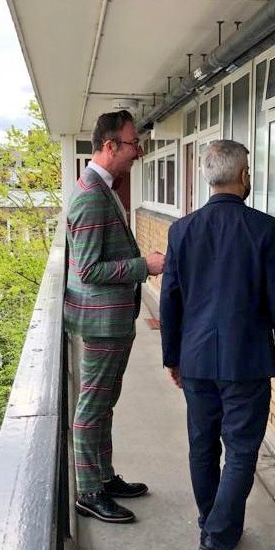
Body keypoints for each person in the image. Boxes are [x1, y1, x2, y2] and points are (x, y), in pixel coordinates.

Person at [160, 140, 275, 550]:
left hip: (197, 359)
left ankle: (211, 526)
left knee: (203, 445)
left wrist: (172, 355)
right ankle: (217, 548)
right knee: (239, 450)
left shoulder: (182, 230)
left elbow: (171, 299)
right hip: (246, 360)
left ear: (209, 176)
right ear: (243, 176)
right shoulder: (264, 228)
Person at [65, 110, 164, 523]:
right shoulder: (90, 195)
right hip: (101, 322)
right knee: (92, 408)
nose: (138, 152)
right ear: (109, 146)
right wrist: (146, 266)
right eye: (132, 144)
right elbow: (88, 269)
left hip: (112, 320)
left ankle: (103, 477)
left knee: (105, 405)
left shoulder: (102, 189)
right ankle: (89, 492)